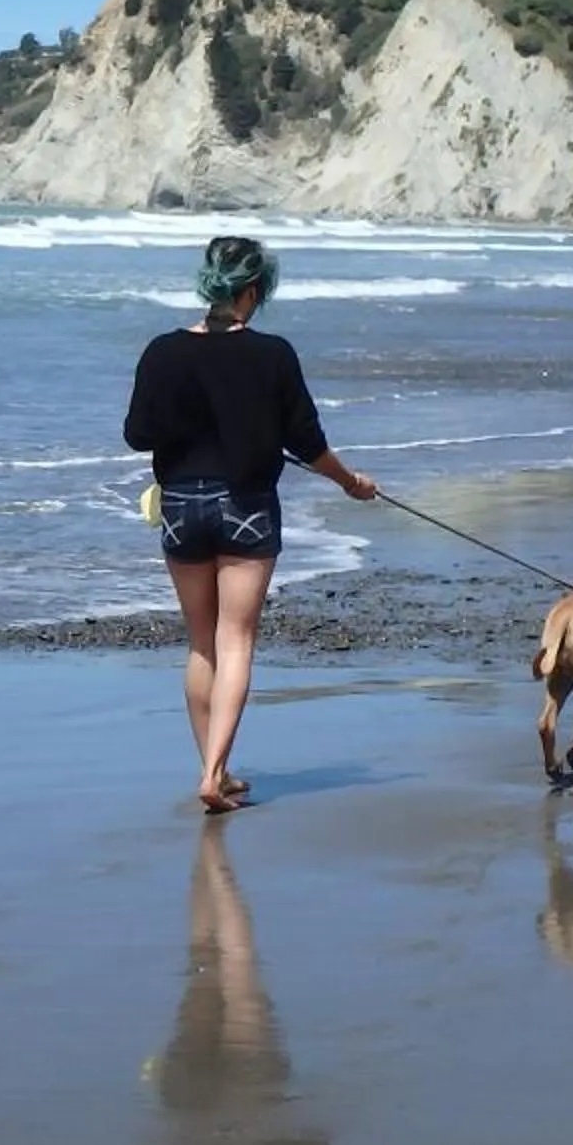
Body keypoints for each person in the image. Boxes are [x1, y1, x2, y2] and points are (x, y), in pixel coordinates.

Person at [124, 234, 377, 812]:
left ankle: (215, 767)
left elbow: (138, 434)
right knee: (236, 641)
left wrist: (188, 425)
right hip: (246, 506)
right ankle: (214, 774)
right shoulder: (273, 355)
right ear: (255, 290)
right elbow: (307, 443)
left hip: (182, 505)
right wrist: (351, 483)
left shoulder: (161, 351)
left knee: (201, 646)